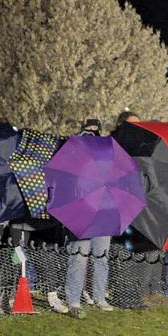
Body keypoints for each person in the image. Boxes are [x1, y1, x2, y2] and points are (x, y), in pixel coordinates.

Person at [61, 118, 114, 318]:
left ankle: (99, 296)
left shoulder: (107, 153)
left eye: (95, 130)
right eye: (88, 130)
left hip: (103, 212)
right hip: (82, 212)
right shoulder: (74, 149)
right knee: (79, 258)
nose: (91, 133)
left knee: (101, 258)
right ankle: (73, 299)